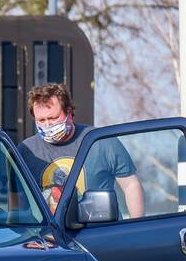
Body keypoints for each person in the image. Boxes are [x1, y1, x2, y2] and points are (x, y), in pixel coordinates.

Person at [17, 83, 144, 217]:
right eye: (41, 120)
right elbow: (18, 199)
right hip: (50, 230)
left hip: (101, 228)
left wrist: (137, 224)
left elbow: (130, 185)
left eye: (53, 118)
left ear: (69, 113)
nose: (48, 125)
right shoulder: (27, 151)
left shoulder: (100, 141)